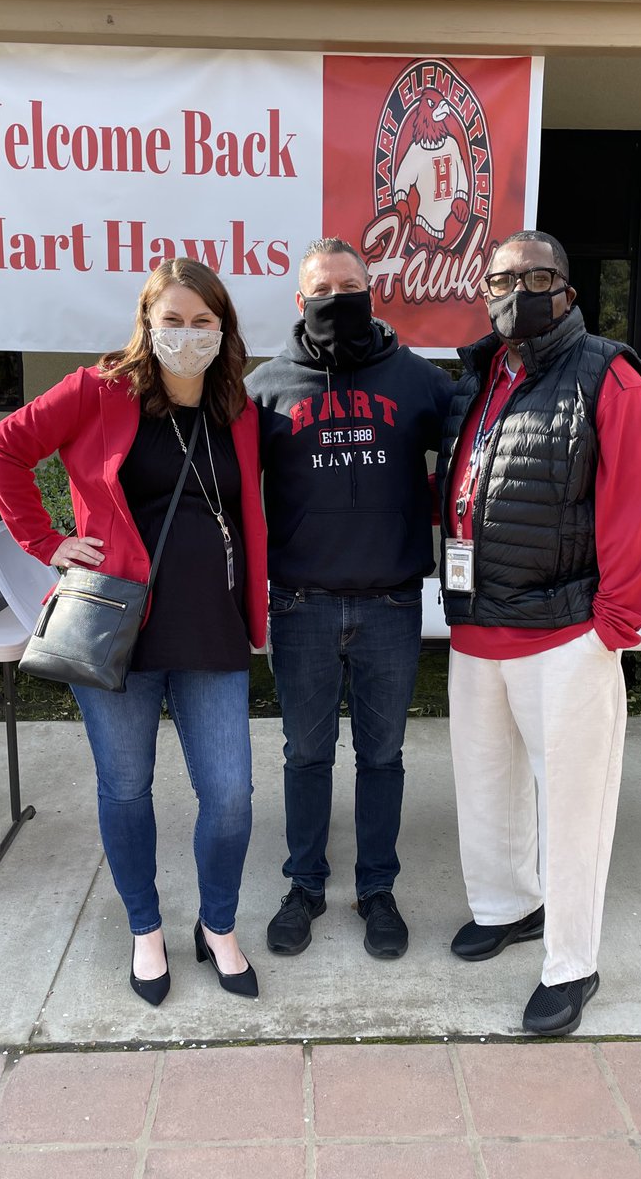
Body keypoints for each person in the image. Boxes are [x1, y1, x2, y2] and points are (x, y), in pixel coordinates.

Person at [0, 259, 268, 1004]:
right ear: (145, 323)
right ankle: (145, 929)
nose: (187, 334)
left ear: (223, 329)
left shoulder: (237, 406)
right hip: (116, 633)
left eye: (203, 321)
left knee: (231, 798)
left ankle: (218, 925)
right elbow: (0, 449)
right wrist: (47, 542)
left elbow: (249, 513)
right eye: (172, 319)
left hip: (212, 630)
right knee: (127, 789)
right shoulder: (98, 390)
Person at [437, 230, 641, 1035]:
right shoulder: (480, 375)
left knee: (573, 809)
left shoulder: (607, 374)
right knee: (486, 788)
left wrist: (614, 626)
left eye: (536, 277)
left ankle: (573, 963)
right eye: (502, 278)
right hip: (478, 629)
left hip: (566, 634)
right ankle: (507, 905)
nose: (517, 291)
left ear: (567, 289)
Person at [246, 237, 455, 960]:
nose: (338, 297)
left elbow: (467, 461)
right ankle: (304, 885)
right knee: (305, 755)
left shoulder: (417, 381)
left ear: (372, 292)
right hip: (301, 604)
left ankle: (377, 890)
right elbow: (231, 491)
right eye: (323, 288)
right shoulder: (266, 388)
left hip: (391, 606)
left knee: (383, 757)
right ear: (301, 302)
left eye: (349, 284)